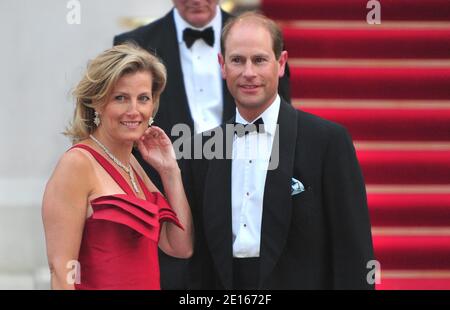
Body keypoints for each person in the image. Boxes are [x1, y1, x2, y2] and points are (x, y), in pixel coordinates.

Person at [182, 12, 375, 289]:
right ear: (222, 66)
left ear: (280, 63)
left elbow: (353, 252)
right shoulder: (200, 150)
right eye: (237, 60)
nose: (249, 73)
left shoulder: (328, 142)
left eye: (259, 60)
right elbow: (195, 258)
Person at [114, 0, 289, 290]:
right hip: (165, 200)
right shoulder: (135, 44)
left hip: (243, 190)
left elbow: (280, 126)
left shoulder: (255, 39)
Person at [42, 43, 193, 290]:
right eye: (121, 98)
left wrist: (170, 171)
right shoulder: (77, 165)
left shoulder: (133, 164)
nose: (134, 111)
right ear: (97, 102)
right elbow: (61, 271)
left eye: (143, 98)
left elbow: (180, 246)